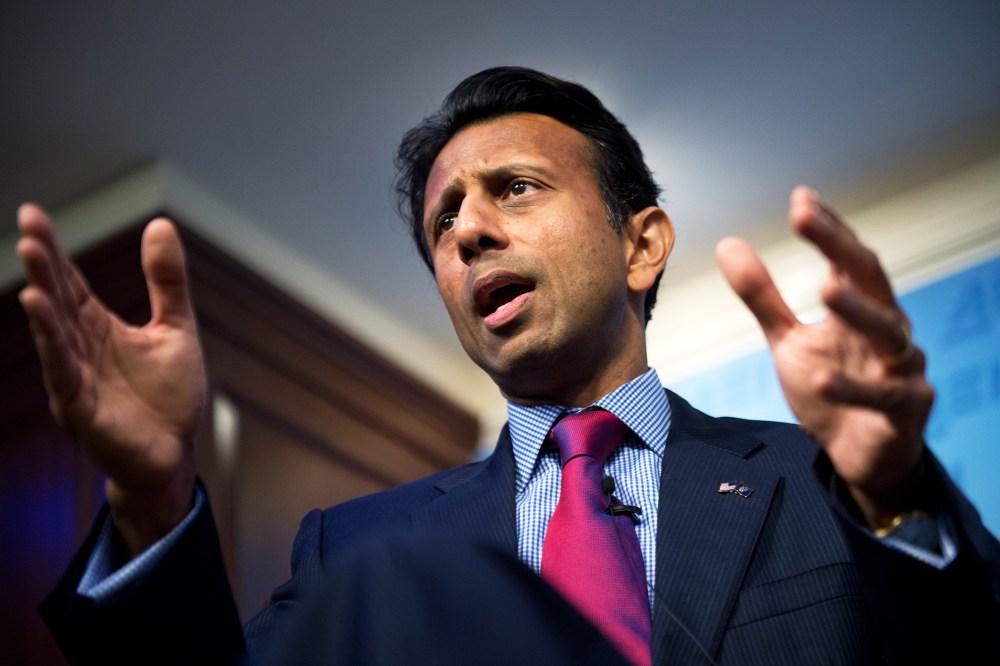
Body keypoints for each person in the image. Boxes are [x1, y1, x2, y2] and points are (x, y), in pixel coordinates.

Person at [18, 67, 1000, 664]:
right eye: (443, 222)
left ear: (642, 245)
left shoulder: (822, 488)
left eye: (515, 189)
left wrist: (895, 493)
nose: (468, 231)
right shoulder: (357, 555)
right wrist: (151, 498)